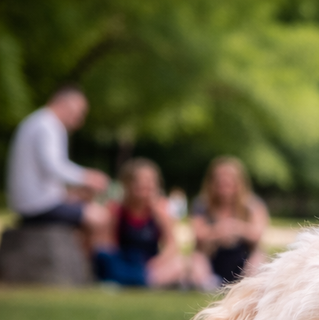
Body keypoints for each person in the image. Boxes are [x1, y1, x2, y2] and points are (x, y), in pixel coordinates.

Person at [6, 84, 109, 236]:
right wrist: (87, 177)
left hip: (30, 203)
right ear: (64, 103)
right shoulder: (48, 125)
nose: (79, 120)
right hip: (38, 206)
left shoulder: (38, 121)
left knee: (85, 196)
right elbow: (52, 166)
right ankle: (95, 259)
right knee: (101, 217)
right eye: (79, 112)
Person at [93, 158, 186, 287]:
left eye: (150, 181)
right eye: (139, 180)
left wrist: (156, 263)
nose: (145, 185)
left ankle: (139, 281)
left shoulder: (161, 209)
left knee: (179, 264)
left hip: (149, 266)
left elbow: (172, 246)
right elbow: (109, 245)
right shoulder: (116, 209)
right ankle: (133, 280)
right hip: (123, 261)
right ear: (127, 184)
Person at [189, 157, 268, 286]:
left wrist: (236, 228)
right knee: (197, 256)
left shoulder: (253, 205)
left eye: (229, 178)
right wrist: (218, 231)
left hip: (242, 258)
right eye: (220, 178)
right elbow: (199, 235)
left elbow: (257, 234)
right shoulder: (202, 205)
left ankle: (248, 285)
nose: (224, 181)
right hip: (213, 258)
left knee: (259, 255)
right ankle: (207, 284)